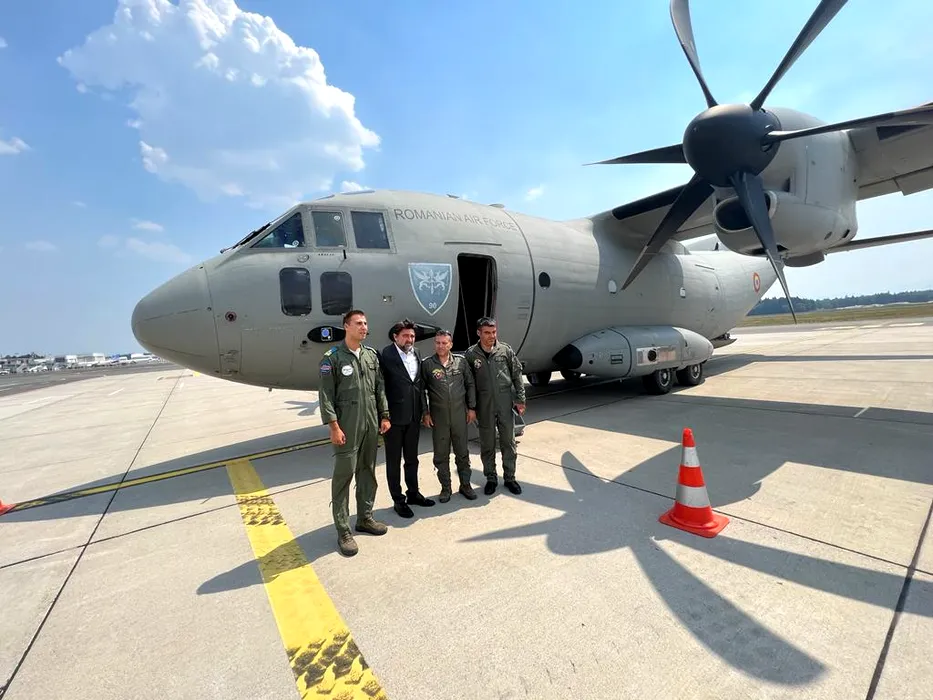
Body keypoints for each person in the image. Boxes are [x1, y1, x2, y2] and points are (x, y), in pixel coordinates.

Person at [318, 309, 392, 557]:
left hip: (371, 421)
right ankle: (343, 531)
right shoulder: (332, 358)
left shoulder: (370, 355)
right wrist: (334, 426)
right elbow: (326, 395)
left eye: (365, 323)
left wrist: (384, 415)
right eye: (358, 323)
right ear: (346, 326)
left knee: (367, 471)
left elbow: (379, 387)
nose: (364, 327)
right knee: (343, 476)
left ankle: (365, 518)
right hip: (347, 424)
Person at [379, 319, 435, 518]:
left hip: (413, 416)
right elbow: (381, 388)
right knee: (393, 461)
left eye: (412, 336)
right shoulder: (385, 355)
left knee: (412, 459)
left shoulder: (417, 353)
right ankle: (398, 500)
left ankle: (413, 494)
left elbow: (418, 386)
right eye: (405, 336)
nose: (409, 339)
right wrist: (384, 416)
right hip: (393, 419)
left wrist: (424, 412)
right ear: (395, 337)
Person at [463, 317, 526, 495]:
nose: (492, 336)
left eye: (494, 332)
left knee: (508, 443)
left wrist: (520, 399)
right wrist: (471, 407)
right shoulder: (471, 354)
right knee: (487, 444)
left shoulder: (505, 350)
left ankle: (510, 478)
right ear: (479, 333)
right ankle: (491, 478)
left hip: (505, 403)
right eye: (487, 333)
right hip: (484, 406)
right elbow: (468, 383)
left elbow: (517, 375)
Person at [421, 329, 478, 502]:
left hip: (459, 415)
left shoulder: (460, 362)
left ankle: (465, 485)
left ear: (450, 344)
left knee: (462, 452)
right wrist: (425, 413)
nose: (440, 346)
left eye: (444, 343)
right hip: (439, 418)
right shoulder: (427, 364)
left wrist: (472, 408)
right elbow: (421, 391)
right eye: (438, 342)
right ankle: (446, 488)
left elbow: (470, 384)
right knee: (441, 455)